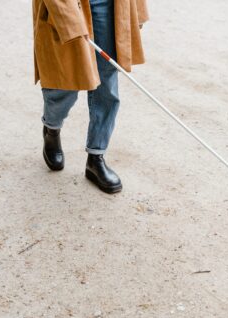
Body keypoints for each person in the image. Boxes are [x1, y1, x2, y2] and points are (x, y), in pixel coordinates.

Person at [32, 0, 149, 193]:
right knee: (64, 83)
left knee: (107, 84)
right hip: (67, 5)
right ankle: (51, 128)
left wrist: (137, 9)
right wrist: (68, 20)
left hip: (109, 5)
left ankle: (96, 158)